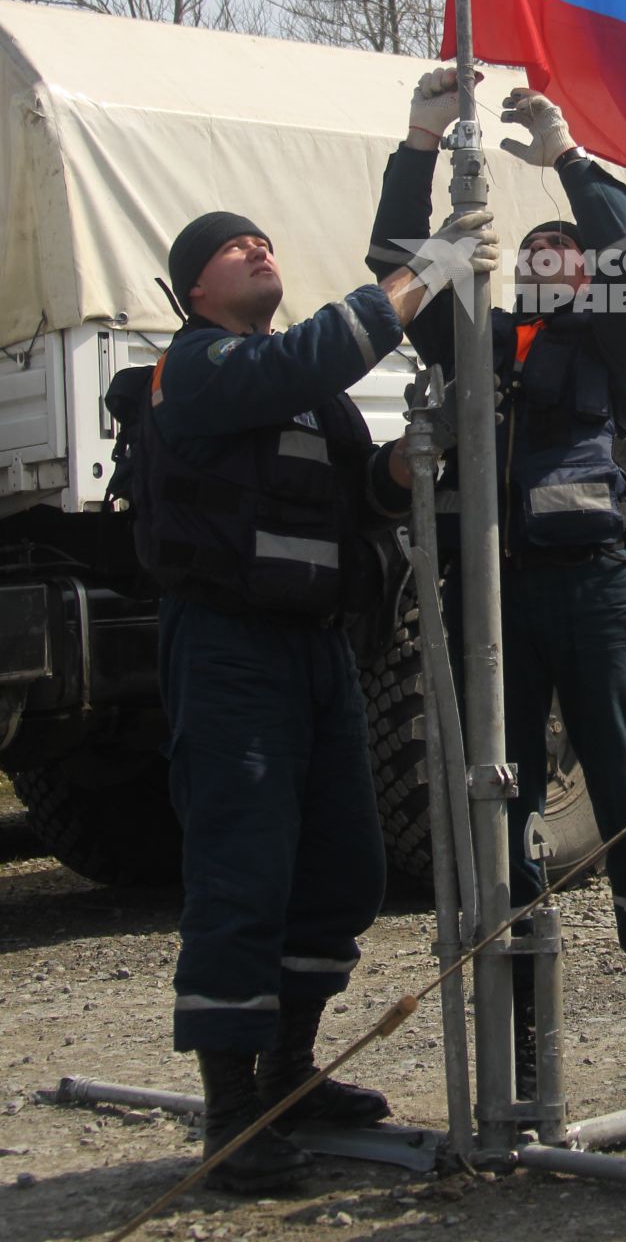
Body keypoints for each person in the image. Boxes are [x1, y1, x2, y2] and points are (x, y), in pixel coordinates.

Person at [137, 202, 496, 1192]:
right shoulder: (198, 368)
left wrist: (411, 453)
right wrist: (428, 271)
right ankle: (231, 1113)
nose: (257, 246)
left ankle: (289, 1074)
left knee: (345, 869)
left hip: (317, 652)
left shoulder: (310, 401)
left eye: (263, 236)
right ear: (196, 289)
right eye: (229, 246)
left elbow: (359, 502)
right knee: (241, 869)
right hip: (227, 651)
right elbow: (308, 358)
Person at [367, 67, 626, 1109]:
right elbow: (395, 269)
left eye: (567, 254)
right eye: (534, 255)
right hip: (495, 601)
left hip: (597, 590)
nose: (554, 261)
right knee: (495, 815)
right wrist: (420, 147)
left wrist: (567, 161)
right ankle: (519, 1047)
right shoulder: (484, 342)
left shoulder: (618, 341)